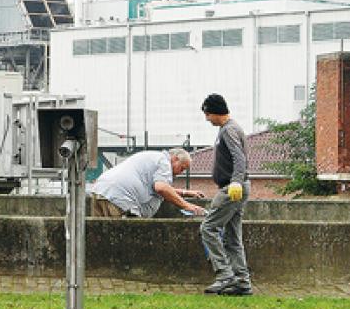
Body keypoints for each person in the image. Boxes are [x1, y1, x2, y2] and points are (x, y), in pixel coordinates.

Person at [200, 93, 252, 296]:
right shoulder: (230, 128)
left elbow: (239, 158)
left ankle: (225, 275)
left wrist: (236, 182)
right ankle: (242, 282)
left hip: (232, 188)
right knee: (232, 237)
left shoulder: (229, 130)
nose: (206, 118)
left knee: (208, 228)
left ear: (215, 111)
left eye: (207, 114)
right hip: (236, 187)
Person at [89, 148, 206, 218]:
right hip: (120, 198)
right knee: (121, 242)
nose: (181, 173)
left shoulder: (153, 157)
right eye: (182, 168)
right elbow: (162, 188)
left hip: (100, 191)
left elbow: (155, 187)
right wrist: (188, 206)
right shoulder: (164, 162)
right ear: (175, 159)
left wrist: (185, 192)